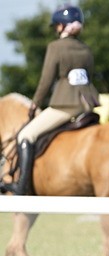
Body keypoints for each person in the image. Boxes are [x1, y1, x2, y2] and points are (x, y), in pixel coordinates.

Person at [3, 5, 99, 196]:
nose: (56, 29)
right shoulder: (86, 49)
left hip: (66, 104)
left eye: (57, 26)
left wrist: (35, 103)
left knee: (25, 135)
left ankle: (21, 186)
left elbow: (46, 80)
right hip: (87, 103)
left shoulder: (55, 47)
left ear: (63, 26)